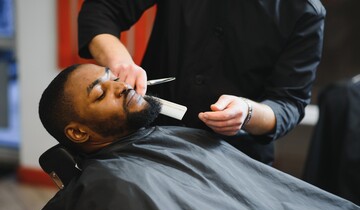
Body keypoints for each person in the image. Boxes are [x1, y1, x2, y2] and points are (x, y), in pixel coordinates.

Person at [28, 63, 360, 210]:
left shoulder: (180, 136)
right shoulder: (109, 189)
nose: (122, 86)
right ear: (77, 132)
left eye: (114, 77)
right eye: (102, 93)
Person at [77, 0, 326, 164]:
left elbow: (289, 103)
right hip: (148, 137)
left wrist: (248, 112)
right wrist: (121, 63)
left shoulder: (304, 12)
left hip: (234, 158)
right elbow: (103, 8)